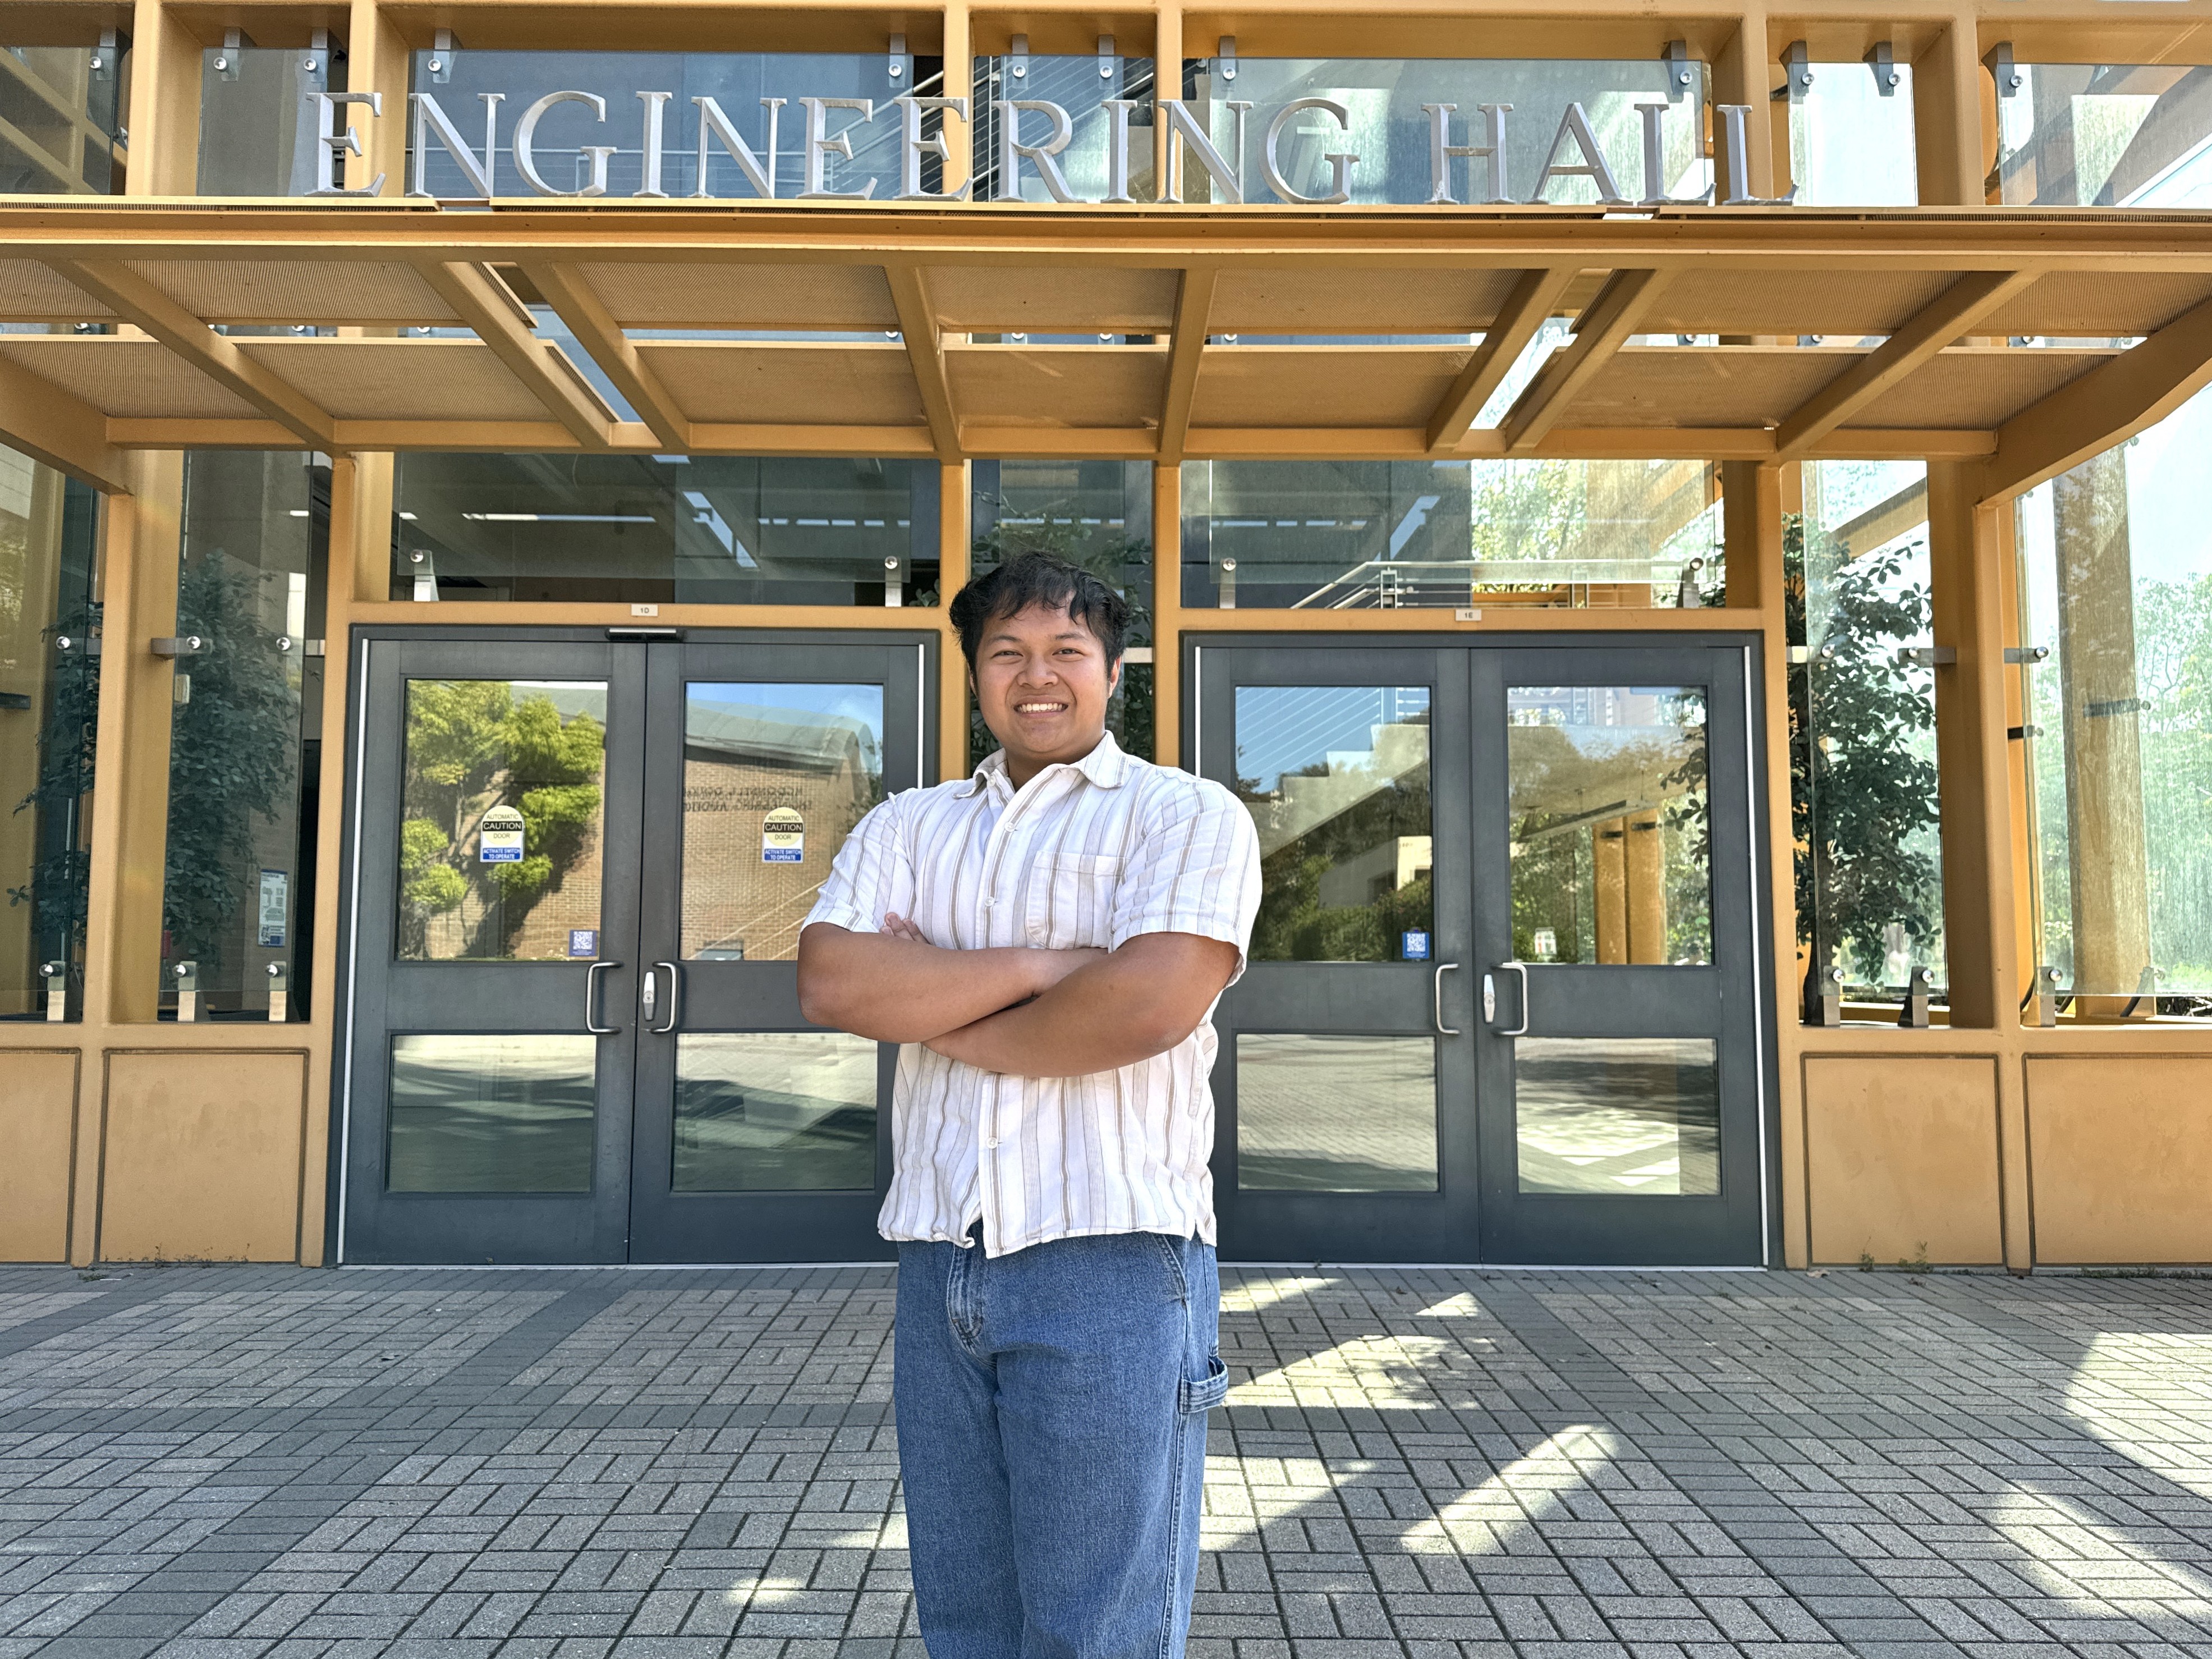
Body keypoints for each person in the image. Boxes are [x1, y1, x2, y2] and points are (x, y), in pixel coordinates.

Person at [796, 550, 1261, 1659]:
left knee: (1096, 1624)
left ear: (1114, 671)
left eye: (1066, 650)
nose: (1036, 675)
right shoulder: (911, 824)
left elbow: (1145, 1004)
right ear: (972, 675)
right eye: (1007, 651)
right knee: (967, 1617)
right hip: (938, 1257)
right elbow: (832, 979)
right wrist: (1057, 962)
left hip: (1111, 1256)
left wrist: (939, 1006)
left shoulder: (1183, 815)